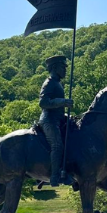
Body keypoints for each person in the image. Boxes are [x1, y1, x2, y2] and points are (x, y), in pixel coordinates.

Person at [39, 54, 74, 187]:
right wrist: (62, 102)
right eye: (62, 67)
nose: (65, 70)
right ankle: (55, 176)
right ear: (54, 68)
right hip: (49, 120)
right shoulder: (49, 83)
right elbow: (43, 102)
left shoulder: (57, 83)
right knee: (57, 146)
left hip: (59, 119)